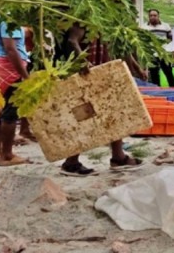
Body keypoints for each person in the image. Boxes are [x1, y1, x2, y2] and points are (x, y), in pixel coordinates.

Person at [56, 23, 147, 176]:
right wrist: (82, 60)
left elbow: (122, 48)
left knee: (113, 115)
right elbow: (72, 41)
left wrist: (137, 68)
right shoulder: (84, 20)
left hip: (104, 73)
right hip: (86, 76)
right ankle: (71, 162)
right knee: (84, 117)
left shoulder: (109, 23)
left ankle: (118, 158)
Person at [0, 13, 31, 166]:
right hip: (8, 69)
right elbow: (10, 48)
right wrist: (24, 76)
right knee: (10, 113)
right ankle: (7, 156)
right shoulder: (10, 19)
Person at [142, 9, 174, 87]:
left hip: (164, 53)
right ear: (148, 17)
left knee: (168, 72)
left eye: (155, 15)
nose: (153, 17)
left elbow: (170, 38)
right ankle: (157, 91)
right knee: (154, 74)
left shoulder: (165, 26)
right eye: (151, 16)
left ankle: (173, 88)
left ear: (158, 16)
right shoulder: (144, 27)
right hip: (152, 54)